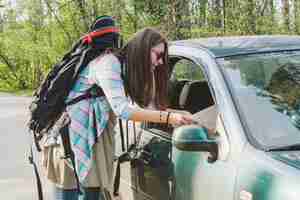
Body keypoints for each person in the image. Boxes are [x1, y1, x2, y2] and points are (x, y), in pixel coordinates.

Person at [45, 25, 195, 200]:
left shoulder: (125, 70)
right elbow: (122, 109)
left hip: (92, 138)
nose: (161, 61)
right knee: (74, 195)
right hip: (72, 139)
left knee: (92, 194)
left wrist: (183, 116)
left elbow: (148, 108)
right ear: (142, 50)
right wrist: (169, 117)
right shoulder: (109, 63)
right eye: (158, 55)